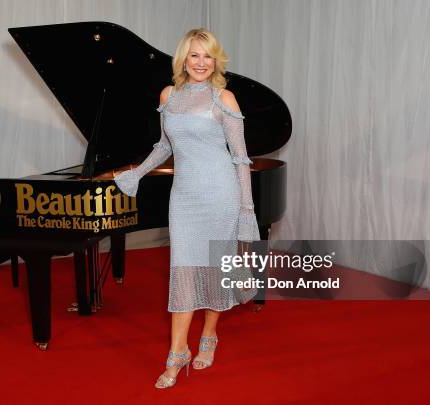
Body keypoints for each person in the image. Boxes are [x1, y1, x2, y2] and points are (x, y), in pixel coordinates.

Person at [113, 28, 259, 389]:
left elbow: (240, 160)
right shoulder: (169, 95)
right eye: (194, 55)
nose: (201, 63)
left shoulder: (224, 98)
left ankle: (208, 334)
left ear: (216, 61)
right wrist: (137, 173)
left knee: (212, 268)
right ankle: (178, 352)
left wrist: (246, 211)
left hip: (221, 194)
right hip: (184, 198)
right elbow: (164, 146)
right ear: (183, 59)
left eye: (207, 56)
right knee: (182, 270)